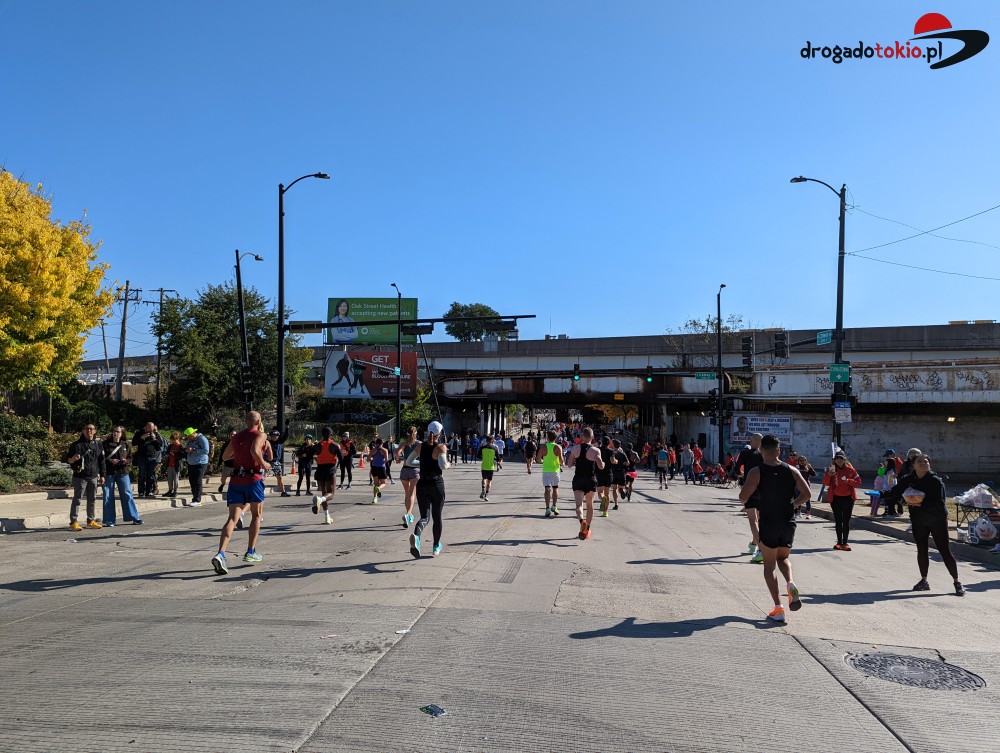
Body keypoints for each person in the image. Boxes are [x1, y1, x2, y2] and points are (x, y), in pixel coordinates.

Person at [738, 434, 812, 623]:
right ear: (779, 451)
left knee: (769, 565)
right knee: (783, 558)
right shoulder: (792, 470)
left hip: (769, 521)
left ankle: (778, 608)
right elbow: (807, 494)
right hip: (788, 521)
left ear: (761, 450)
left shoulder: (756, 472)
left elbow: (743, 497)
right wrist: (793, 504)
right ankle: (791, 582)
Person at [876, 453, 964, 596]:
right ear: (913, 465)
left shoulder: (935, 481)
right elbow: (895, 491)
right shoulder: (908, 479)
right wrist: (879, 494)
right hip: (918, 519)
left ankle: (957, 582)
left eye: (926, 461)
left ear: (929, 465)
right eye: (919, 461)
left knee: (944, 550)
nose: (923, 463)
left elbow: (940, 503)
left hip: (937, 519)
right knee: (921, 549)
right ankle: (924, 581)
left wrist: (917, 501)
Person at [211, 411, 270, 574]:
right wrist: (264, 464)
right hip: (253, 479)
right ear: (258, 421)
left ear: (246, 421)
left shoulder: (236, 437)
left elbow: (225, 456)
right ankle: (250, 551)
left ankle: (221, 553)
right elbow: (255, 451)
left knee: (232, 518)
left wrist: (239, 453)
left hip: (236, 480)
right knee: (256, 515)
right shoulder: (261, 435)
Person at [408, 421, 449, 559]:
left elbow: (408, 462)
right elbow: (443, 466)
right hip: (436, 484)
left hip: (422, 484)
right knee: (437, 517)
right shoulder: (441, 447)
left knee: (425, 517)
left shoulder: (420, 446)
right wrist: (448, 463)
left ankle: (416, 536)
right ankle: (436, 546)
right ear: (440, 433)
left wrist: (422, 463)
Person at [566, 427, 605, 541]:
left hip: (578, 479)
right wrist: (603, 463)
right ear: (592, 437)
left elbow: (569, 464)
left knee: (579, 505)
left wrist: (575, 462)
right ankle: (587, 528)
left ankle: (581, 521)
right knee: (589, 505)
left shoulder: (575, 448)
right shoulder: (595, 450)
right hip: (590, 480)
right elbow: (601, 466)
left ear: (582, 436)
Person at [66, 423, 106, 530]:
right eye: (87, 429)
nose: (89, 431)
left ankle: (91, 520)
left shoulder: (98, 444)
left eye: (91, 429)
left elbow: (102, 461)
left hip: (93, 476)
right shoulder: (76, 445)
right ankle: (73, 521)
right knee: (77, 499)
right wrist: (73, 459)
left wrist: (103, 475)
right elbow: (68, 460)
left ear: (95, 431)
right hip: (80, 476)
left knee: (92, 499)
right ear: (83, 431)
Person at [733, 433, 765, 563]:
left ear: (752, 441)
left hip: (750, 487)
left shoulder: (745, 453)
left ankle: (761, 550)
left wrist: (741, 474)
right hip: (763, 489)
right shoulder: (764, 454)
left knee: (753, 520)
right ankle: (753, 544)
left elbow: (736, 469)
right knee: (759, 519)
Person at [822, 451, 862, 550]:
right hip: (835, 498)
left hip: (848, 498)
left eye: (841, 458)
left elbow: (858, 482)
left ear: (845, 460)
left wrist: (848, 481)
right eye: (837, 458)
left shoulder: (850, 470)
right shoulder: (831, 469)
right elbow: (825, 483)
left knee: (846, 521)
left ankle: (845, 543)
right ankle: (839, 543)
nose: (839, 460)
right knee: (838, 521)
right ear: (834, 460)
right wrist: (829, 475)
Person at [102, 426, 142, 526]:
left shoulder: (126, 444)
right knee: (108, 495)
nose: (116, 433)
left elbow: (130, 457)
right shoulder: (105, 444)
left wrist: (126, 461)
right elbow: (101, 458)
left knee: (127, 494)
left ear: (122, 433)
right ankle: (109, 520)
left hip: (123, 471)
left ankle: (134, 517)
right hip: (109, 472)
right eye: (114, 431)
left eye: (118, 432)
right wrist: (110, 461)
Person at [312, 427, 342, 524]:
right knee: (331, 494)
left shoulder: (317, 446)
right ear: (331, 435)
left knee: (324, 493)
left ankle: (327, 516)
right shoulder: (334, 445)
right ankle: (320, 500)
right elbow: (341, 458)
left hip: (320, 470)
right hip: (330, 469)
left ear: (322, 434)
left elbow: (307, 455)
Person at [132, 422, 165, 498]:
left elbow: (160, 445)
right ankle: (141, 491)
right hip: (141, 457)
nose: (150, 429)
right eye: (149, 427)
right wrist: (142, 437)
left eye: (152, 427)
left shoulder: (155, 434)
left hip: (152, 457)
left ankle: (148, 491)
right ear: (145, 427)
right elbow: (133, 443)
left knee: (150, 475)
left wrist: (155, 439)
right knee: (141, 475)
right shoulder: (139, 433)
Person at [536, 430, 564, 518]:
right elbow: (561, 460)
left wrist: (543, 461)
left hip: (546, 471)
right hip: (555, 470)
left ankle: (547, 508)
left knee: (547, 489)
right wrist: (561, 463)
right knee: (555, 488)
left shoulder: (543, 447)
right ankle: (554, 506)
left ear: (547, 437)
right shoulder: (558, 447)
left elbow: (538, 459)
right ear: (556, 438)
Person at [397, 426, 421, 527]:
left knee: (407, 493)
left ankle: (409, 514)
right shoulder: (419, 444)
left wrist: (398, 459)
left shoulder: (404, 443)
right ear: (416, 433)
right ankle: (409, 513)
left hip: (404, 470)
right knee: (412, 493)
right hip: (415, 470)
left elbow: (397, 452)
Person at [182, 427, 210, 507]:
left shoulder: (202, 439)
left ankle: (197, 500)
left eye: (189, 436)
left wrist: (194, 450)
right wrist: (186, 450)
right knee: (192, 481)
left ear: (193, 433)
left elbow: (206, 451)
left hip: (200, 463)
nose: (188, 438)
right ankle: (194, 498)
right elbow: (188, 447)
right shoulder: (189, 440)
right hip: (191, 463)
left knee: (197, 481)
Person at [267, 425, 291, 498]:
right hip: (268, 461)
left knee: (279, 477)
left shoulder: (280, 442)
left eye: (276, 436)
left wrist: (287, 427)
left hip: (276, 462)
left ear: (278, 436)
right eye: (273, 436)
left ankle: (283, 492)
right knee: (263, 476)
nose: (274, 437)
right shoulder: (268, 442)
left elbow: (286, 436)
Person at [596, 437, 615, 517]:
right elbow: (612, 461)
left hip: (599, 473)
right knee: (607, 492)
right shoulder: (611, 451)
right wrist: (616, 461)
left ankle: (602, 498)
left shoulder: (598, 450)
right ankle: (605, 512)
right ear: (609, 443)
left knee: (600, 492)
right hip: (608, 473)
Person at [164, 431, 185, 498]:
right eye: (172, 440)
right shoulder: (170, 446)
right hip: (170, 464)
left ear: (177, 439)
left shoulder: (181, 447)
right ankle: (170, 490)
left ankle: (175, 491)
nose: (172, 441)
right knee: (169, 479)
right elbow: (167, 452)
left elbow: (182, 455)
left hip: (176, 465)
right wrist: (169, 454)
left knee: (175, 479)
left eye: (173, 440)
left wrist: (174, 454)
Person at [369, 437, 390, 503]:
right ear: (382, 443)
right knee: (384, 483)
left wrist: (373, 458)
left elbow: (368, 458)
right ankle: (379, 488)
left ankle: (375, 498)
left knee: (376, 484)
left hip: (374, 467)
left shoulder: (373, 450)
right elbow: (386, 460)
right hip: (381, 468)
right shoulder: (384, 450)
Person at [610, 439, 629, 510]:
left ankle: (616, 504)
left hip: (613, 472)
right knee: (621, 486)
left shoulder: (612, 453)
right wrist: (623, 463)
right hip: (621, 472)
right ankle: (621, 490)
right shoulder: (622, 453)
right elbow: (628, 463)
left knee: (614, 489)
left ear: (613, 445)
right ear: (620, 445)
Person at [480, 435, 497, 501]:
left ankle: (483, 489)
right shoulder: (494, 448)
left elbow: (478, 455)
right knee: (489, 481)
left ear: (486, 441)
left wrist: (483, 458)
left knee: (483, 478)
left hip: (484, 466)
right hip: (491, 467)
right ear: (492, 441)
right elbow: (498, 458)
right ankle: (486, 495)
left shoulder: (483, 448)